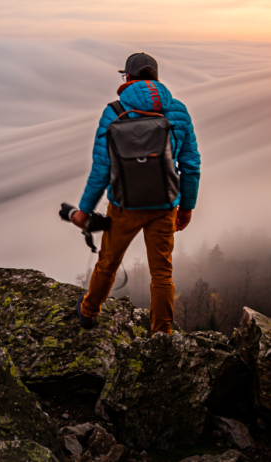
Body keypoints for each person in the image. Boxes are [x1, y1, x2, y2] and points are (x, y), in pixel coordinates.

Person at [70, 52, 200, 335]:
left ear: (127, 78)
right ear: (155, 75)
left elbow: (101, 170)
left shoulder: (113, 112)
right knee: (162, 273)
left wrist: (84, 209)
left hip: (123, 206)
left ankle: (88, 311)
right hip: (165, 205)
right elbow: (189, 164)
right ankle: (162, 334)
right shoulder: (178, 111)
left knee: (108, 263)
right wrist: (186, 207)